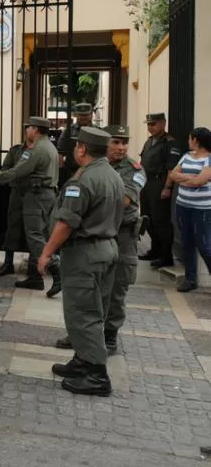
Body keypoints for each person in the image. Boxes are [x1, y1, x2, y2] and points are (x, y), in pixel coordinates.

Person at [37, 126, 122, 396]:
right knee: (96, 310)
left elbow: (66, 223)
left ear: (82, 149)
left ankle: (97, 375)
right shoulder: (110, 174)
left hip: (85, 253)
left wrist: (46, 252)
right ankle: (83, 360)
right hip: (107, 248)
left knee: (83, 313)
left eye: (77, 146)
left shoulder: (82, 181)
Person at [57, 124, 143, 355]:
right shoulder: (94, 166)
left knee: (115, 288)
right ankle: (84, 334)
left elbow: (122, 201)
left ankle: (109, 335)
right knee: (89, 289)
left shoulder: (133, 169)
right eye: (116, 142)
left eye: (125, 142)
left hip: (122, 235)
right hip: (96, 235)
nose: (121, 147)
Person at [0, 116, 61, 297]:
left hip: (36, 196)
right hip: (47, 194)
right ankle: (36, 277)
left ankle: (56, 269)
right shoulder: (50, 146)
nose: (27, 130)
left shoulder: (36, 149)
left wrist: (0, 175)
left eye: (29, 127)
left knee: (35, 236)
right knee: (39, 234)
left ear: (35, 129)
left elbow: (19, 170)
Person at [168, 127, 211, 292]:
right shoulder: (186, 156)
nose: (188, 141)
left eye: (190, 138)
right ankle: (190, 278)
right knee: (187, 243)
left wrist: (186, 179)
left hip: (202, 209)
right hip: (183, 205)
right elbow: (173, 175)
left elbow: (199, 182)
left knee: (204, 245)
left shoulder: (209, 159)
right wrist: (191, 178)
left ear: (196, 141)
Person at [138, 113, 182, 269]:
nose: (150, 127)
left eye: (153, 124)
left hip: (159, 184)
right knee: (147, 218)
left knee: (160, 221)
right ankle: (154, 250)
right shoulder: (149, 142)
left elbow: (172, 169)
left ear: (163, 124)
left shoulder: (170, 143)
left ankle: (166, 256)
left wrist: (167, 187)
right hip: (146, 184)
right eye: (148, 124)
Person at [0, 139, 30, 277]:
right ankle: (8, 263)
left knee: (33, 231)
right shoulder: (15, 150)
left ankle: (34, 267)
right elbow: (5, 168)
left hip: (34, 193)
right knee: (12, 227)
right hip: (16, 192)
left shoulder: (41, 150)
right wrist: (4, 177)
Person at [56, 102, 95, 185]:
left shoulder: (97, 132)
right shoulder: (68, 131)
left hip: (93, 171)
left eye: (86, 115)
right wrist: (61, 172)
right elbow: (60, 152)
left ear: (91, 115)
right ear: (76, 115)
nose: (83, 117)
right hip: (72, 171)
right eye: (81, 115)